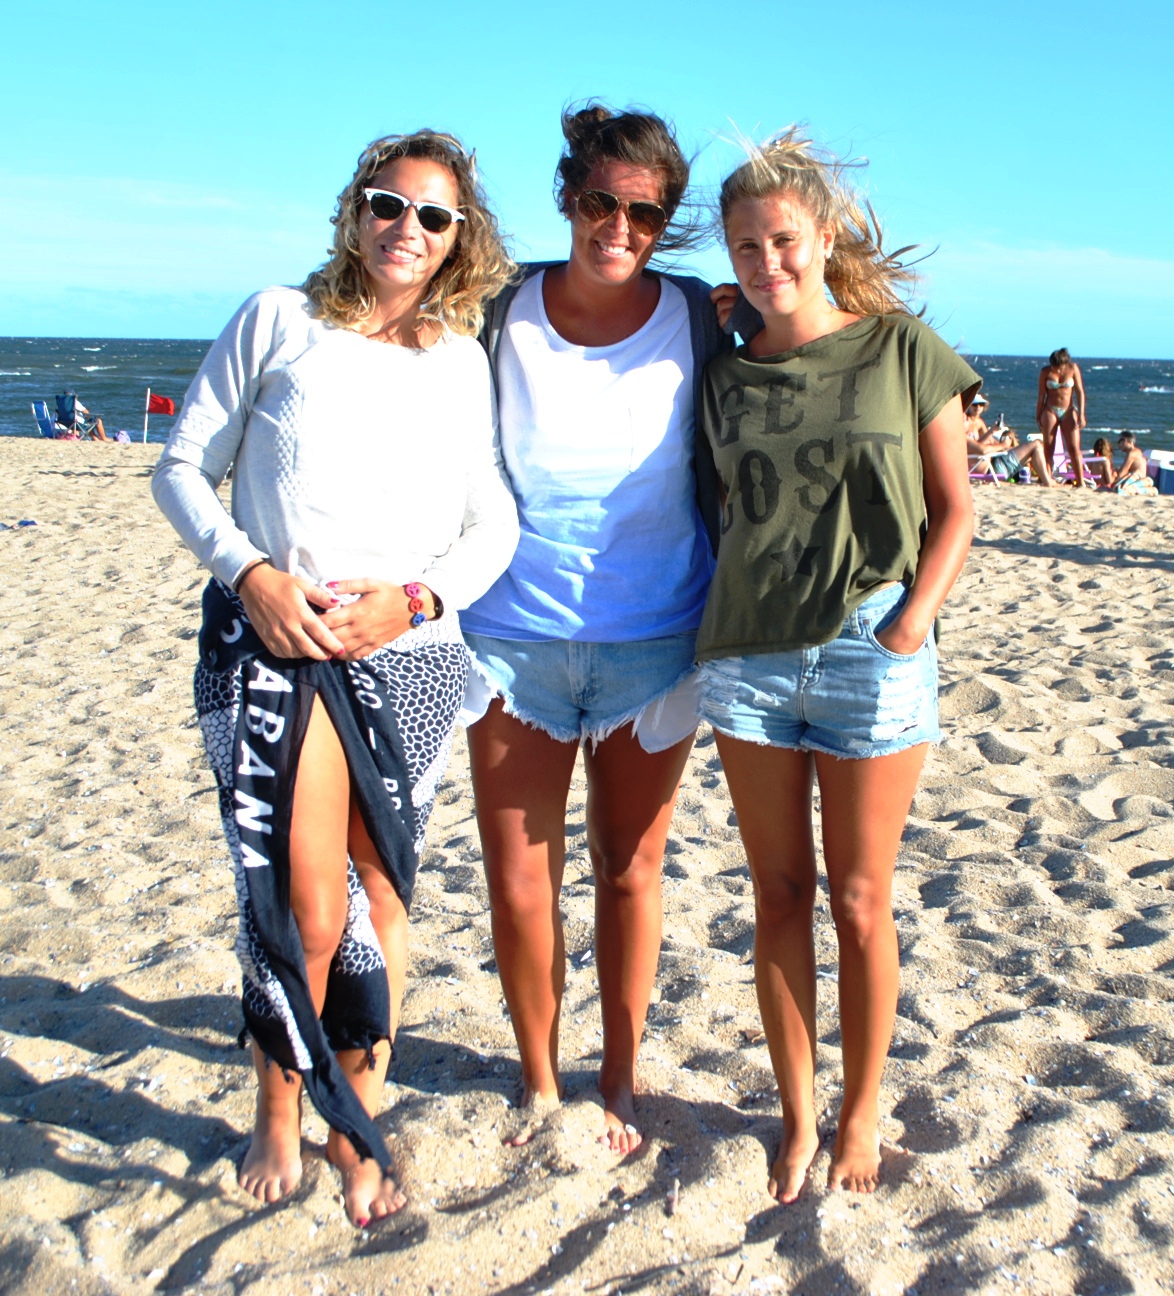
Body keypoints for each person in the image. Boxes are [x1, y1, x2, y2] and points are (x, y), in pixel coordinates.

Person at [151, 129, 519, 1228]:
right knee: (308, 909)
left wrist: (418, 601)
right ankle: (279, 1108)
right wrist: (251, 575)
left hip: (410, 658)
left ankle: (357, 1117)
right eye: (386, 204)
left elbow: (491, 518)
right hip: (278, 649)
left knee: (384, 897)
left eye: (433, 215)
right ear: (354, 212)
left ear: (460, 238)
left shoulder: (460, 358)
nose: (406, 228)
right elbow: (182, 468)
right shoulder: (279, 318)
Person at [699, 129, 978, 1202]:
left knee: (860, 900)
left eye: (782, 240)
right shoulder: (724, 376)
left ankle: (860, 1114)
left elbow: (956, 510)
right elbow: (713, 510)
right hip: (749, 662)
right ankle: (798, 1116)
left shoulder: (901, 348)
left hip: (872, 647)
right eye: (745, 247)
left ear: (821, 237)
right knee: (777, 896)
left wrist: (909, 626)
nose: (767, 262)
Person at [461, 104, 732, 1156]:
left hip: (656, 641)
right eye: (600, 203)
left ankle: (617, 1077)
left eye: (645, 214)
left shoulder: (698, 317)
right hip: (508, 637)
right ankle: (538, 1079)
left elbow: (811, 345)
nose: (619, 228)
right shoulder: (496, 309)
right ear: (568, 197)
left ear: (666, 223)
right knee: (518, 878)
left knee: (628, 870)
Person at [1037, 347, 1086, 487]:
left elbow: (1080, 392)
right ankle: (1047, 479)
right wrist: (1038, 415)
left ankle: (1080, 481)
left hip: (1068, 410)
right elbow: (1041, 395)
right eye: (1054, 367)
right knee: (1048, 448)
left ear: (1065, 364)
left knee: (1074, 448)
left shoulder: (1073, 368)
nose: (1057, 370)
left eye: (1059, 367)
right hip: (1050, 410)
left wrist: (1081, 414)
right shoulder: (1045, 372)